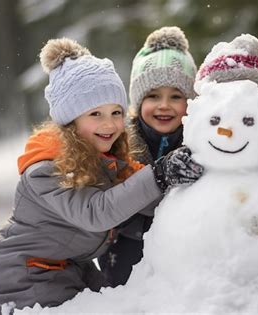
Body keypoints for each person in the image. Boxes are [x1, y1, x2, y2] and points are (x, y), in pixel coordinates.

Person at [0, 37, 201, 315]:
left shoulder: (106, 160)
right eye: (95, 114)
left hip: (67, 270)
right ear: (70, 120)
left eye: (116, 112)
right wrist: (160, 174)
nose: (110, 124)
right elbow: (96, 212)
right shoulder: (47, 167)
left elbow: (144, 196)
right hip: (18, 279)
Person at [98, 26, 198, 287]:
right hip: (126, 250)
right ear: (138, 101)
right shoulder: (119, 144)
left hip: (183, 254)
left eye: (176, 96)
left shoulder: (199, 141)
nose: (164, 105)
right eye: (153, 96)